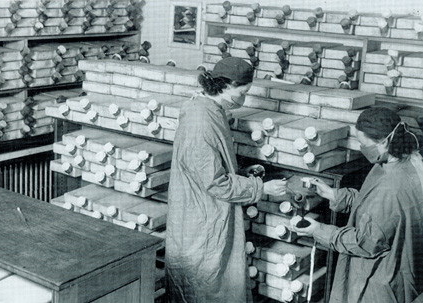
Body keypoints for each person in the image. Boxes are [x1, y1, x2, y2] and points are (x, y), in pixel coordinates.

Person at [165, 57, 286, 303]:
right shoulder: (201, 121)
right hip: (201, 218)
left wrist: (240, 170)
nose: (244, 98)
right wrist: (261, 188)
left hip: (202, 210)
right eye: (244, 92)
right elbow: (215, 183)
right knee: (205, 285)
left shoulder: (209, 109)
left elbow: (211, 164)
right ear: (228, 86)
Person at [291, 107, 423, 303]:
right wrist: (335, 195)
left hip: (379, 281)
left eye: (363, 143)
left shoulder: (392, 187)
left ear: (384, 141)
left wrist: (319, 230)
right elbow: (377, 210)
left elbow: (366, 241)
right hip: (401, 268)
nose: (362, 148)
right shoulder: (406, 163)